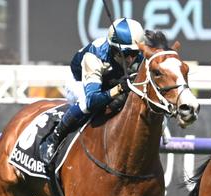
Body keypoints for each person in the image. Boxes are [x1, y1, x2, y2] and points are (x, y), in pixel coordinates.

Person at [39, 17, 145, 164]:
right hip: (79, 80)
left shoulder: (138, 54)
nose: (132, 59)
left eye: (135, 53)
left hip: (108, 80)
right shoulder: (95, 56)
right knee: (87, 106)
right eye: (127, 54)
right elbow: (92, 99)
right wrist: (119, 88)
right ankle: (54, 138)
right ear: (114, 49)